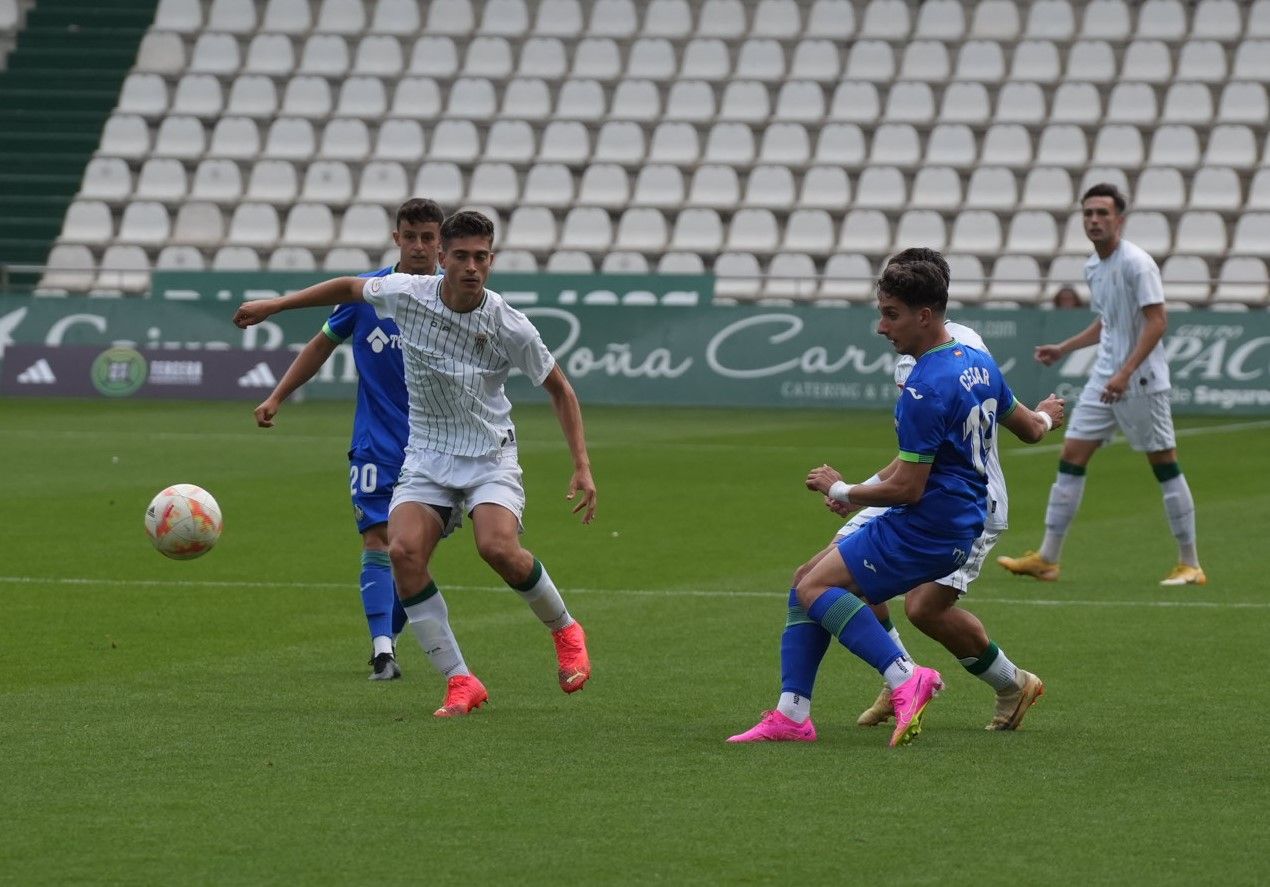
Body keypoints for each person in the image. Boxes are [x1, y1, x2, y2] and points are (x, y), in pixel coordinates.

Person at [234, 210, 597, 717]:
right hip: (426, 457)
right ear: (443, 259)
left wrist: (581, 465)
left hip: (490, 456)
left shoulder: (508, 322)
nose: (472, 267)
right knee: (402, 552)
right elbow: (346, 287)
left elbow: (561, 389)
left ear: (491, 261)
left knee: (496, 547)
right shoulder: (407, 293)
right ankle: (460, 680)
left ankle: (565, 629)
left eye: (482, 257)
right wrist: (277, 305)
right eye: (462, 256)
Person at [727, 260, 1064, 747]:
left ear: (925, 314)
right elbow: (1026, 429)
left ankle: (907, 677)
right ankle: (795, 712)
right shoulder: (975, 361)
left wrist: (842, 490)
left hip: (935, 514)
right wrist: (1047, 419)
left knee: (854, 596)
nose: (881, 327)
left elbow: (909, 483)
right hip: (941, 509)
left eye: (891, 315)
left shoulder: (926, 385)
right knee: (809, 580)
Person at [252, 198, 443, 682]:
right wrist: (278, 396)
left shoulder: (459, 298)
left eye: (428, 237)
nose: (420, 247)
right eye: (411, 236)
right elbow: (321, 345)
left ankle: (389, 640)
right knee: (379, 540)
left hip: (441, 450)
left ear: (441, 242)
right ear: (396, 238)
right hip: (378, 442)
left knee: (412, 554)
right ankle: (383, 651)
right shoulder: (369, 294)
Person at [998, 183, 1205, 587]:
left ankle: (1190, 563)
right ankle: (1048, 559)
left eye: (1102, 213)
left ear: (1119, 220)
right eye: (1088, 213)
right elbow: (1108, 320)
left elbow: (1158, 321)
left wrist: (1125, 372)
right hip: (1104, 379)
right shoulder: (1094, 266)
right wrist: (1065, 347)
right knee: (1070, 457)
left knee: (1165, 465)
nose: (1094, 220)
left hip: (1140, 381)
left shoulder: (1137, 264)